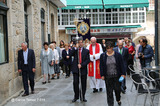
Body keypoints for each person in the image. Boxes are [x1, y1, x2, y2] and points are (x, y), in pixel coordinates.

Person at [100, 41, 126, 106]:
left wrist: (123, 74)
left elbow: (122, 65)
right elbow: (101, 66)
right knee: (109, 92)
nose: (108, 50)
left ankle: (118, 99)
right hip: (108, 76)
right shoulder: (103, 56)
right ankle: (110, 104)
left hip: (116, 76)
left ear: (112, 48)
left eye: (110, 48)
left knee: (117, 90)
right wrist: (102, 75)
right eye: (107, 48)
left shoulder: (118, 55)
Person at [70, 37, 90, 102]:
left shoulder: (86, 51)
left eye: (81, 42)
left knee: (83, 83)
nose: (80, 44)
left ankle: (83, 96)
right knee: (75, 83)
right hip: (76, 69)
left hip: (83, 69)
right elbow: (70, 55)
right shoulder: (75, 50)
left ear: (83, 43)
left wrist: (82, 65)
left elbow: (88, 60)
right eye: (79, 42)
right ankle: (76, 96)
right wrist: (75, 47)